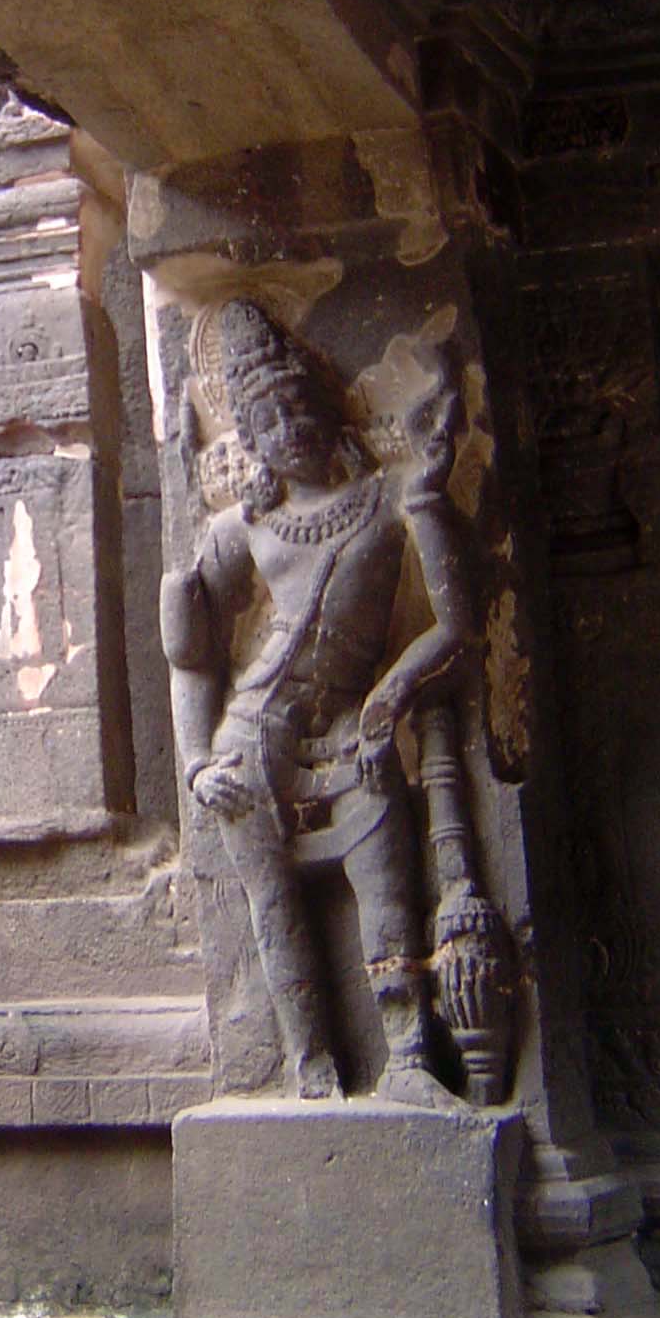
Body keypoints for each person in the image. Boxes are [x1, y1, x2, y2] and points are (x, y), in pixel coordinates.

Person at [161, 298, 473, 1105]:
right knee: (273, 905)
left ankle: (409, 1057)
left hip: (350, 727)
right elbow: (191, 657)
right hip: (249, 741)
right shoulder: (243, 530)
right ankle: (311, 1069)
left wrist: (391, 694)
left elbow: (458, 627)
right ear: (251, 441)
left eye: (299, 404)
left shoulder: (393, 499)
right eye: (266, 419)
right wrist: (195, 763)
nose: (289, 426)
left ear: (330, 408)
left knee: (387, 879)